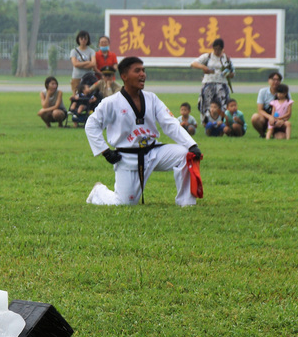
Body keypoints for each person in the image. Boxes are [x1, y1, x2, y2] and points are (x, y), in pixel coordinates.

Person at [85, 56, 202, 207]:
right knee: (125, 203)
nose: (143, 74)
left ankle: (186, 203)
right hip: (127, 157)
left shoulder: (151, 98)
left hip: (153, 151)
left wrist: (191, 144)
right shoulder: (111, 102)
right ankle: (99, 192)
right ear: (124, 76)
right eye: (137, 71)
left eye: (143, 71)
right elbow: (91, 125)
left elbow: (170, 123)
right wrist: (105, 151)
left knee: (186, 155)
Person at [190, 38, 234, 125]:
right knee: (207, 103)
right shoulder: (208, 56)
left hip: (222, 85)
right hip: (208, 84)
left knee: (222, 104)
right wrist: (204, 67)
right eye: (215, 49)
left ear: (222, 49)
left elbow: (233, 73)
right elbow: (193, 64)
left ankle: (222, 122)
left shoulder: (226, 59)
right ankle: (206, 122)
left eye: (219, 49)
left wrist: (227, 74)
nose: (217, 51)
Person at [251, 72, 291, 139]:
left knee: (281, 138)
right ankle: (262, 134)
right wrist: (270, 117)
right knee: (255, 117)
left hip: (280, 119)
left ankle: (274, 133)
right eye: (273, 79)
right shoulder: (263, 91)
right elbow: (260, 110)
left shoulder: (285, 92)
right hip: (266, 117)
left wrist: (282, 120)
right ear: (268, 80)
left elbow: (288, 112)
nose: (275, 82)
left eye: (278, 80)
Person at [69, 30, 96, 96]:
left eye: (85, 38)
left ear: (88, 40)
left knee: (89, 95)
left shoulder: (91, 51)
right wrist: (87, 62)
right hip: (76, 77)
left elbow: (93, 64)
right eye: (81, 38)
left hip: (88, 78)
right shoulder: (74, 51)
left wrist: (80, 64)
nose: (83, 40)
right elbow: (75, 64)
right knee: (75, 96)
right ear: (78, 39)